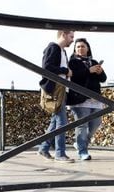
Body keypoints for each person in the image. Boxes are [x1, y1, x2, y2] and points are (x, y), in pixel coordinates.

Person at [38, 30, 75, 163]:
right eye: (71, 36)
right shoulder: (53, 48)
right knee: (62, 123)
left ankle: (44, 147)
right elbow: (46, 67)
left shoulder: (62, 51)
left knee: (55, 122)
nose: (72, 40)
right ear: (63, 35)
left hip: (60, 90)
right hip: (55, 90)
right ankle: (60, 154)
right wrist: (66, 71)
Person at [67, 38, 107, 161]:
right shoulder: (72, 62)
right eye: (78, 47)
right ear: (74, 50)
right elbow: (74, 77)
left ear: (88, 48)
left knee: (96, 123)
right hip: (79, 99)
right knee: (82, 126)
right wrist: (88, 71)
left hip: (95, 98)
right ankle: (82, 151)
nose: (80, 48)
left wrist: (100, 71)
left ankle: (81, 144)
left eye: (83, 46)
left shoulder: (93, 61)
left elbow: (103, 79)